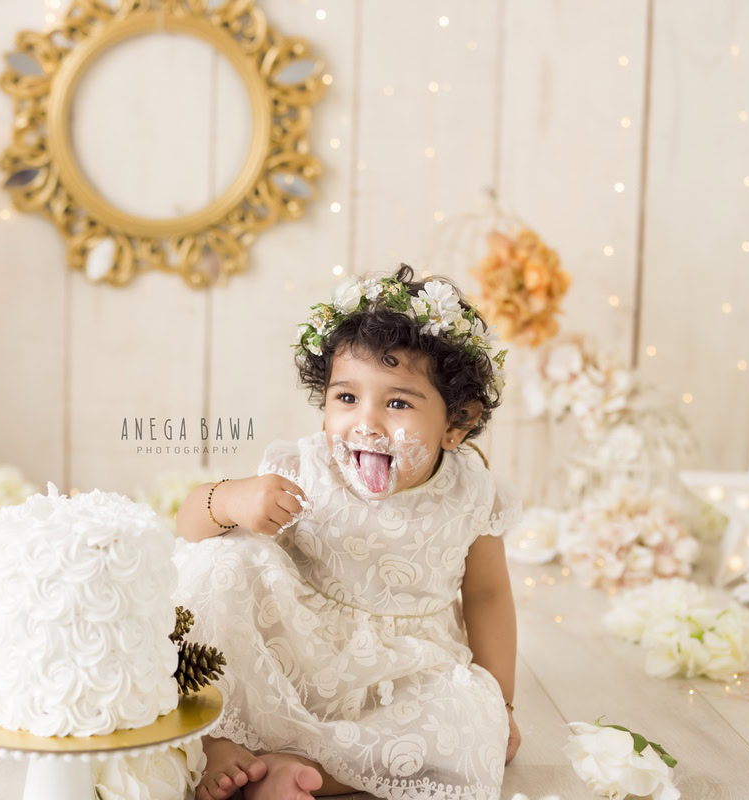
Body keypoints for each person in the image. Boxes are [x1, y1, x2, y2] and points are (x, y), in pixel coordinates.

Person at [173, 264, 522, 800]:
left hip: (403, 670)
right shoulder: (305, 467)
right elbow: (189, 527)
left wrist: (502, 705)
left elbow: (488, 594)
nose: (366, 422)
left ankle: (297, 766)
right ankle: (217, 736)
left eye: (398, 402)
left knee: (474, 725)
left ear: (457, 421)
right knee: (224, 563)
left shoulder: (472, 493)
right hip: (295, 643)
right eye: (346, 398)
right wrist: (232, 500)